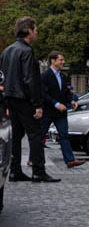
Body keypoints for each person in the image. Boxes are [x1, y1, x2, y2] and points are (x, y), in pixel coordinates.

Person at [2, 17, 59, 182]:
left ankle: (14, 170)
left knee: (16, 136)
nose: (37, 33)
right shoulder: (26, 51)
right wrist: (37, 105)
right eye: (36, 30)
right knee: (35, 134)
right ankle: (38, 171)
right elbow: (30, 80)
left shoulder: (7, 51)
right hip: (24, 98)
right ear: (28, 31)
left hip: (10, 97)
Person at [41, 51, 85, 169]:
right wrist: (56, 104)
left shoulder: (63, 76)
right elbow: (43, 94)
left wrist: (71, 101)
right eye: (61, 60)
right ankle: (33, 159)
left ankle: (70, 160)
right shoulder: (44, 76)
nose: (63, 62)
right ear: (53, 61)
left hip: (61, 112)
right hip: (48, 111)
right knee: (40, 136)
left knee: (64, 136)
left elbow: (66, 92)